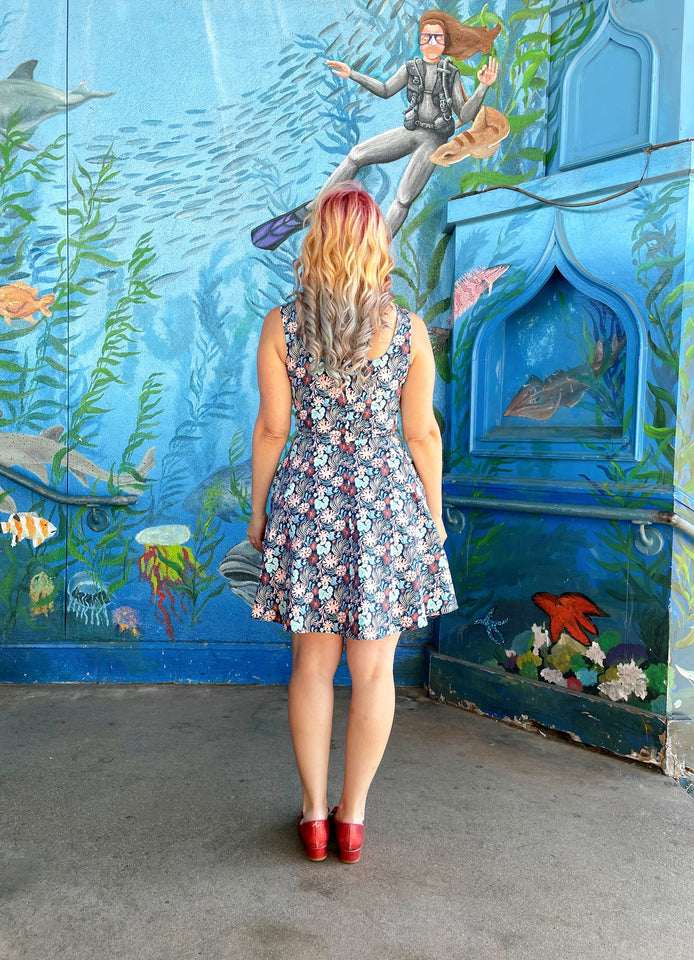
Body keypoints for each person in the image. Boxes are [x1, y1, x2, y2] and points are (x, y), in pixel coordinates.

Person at [248, 182, 457, 863]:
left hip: (307, 500)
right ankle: (353, 818)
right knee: (374, 672)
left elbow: (275, 427)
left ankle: (312, 816)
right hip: (386, 506)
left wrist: (259, 512)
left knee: (312, 666)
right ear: (375, 246)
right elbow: (422, 433)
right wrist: (432, 515)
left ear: (316, 244)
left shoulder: (282, 326)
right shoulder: (409, 329)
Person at [250, 9, 499, 249]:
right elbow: (385, 90)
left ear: (445, 43)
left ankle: (376, 250)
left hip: (433, 140)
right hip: (411, 131)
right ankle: (312, 210)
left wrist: (482, 87)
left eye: (437, 38)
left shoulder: (450, 73)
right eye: (426, 37)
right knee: (357, 154)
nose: (431, 42)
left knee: (403, 197)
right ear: (420, 41)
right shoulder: (411, 68)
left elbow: (465, 114)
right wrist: (353, 75)